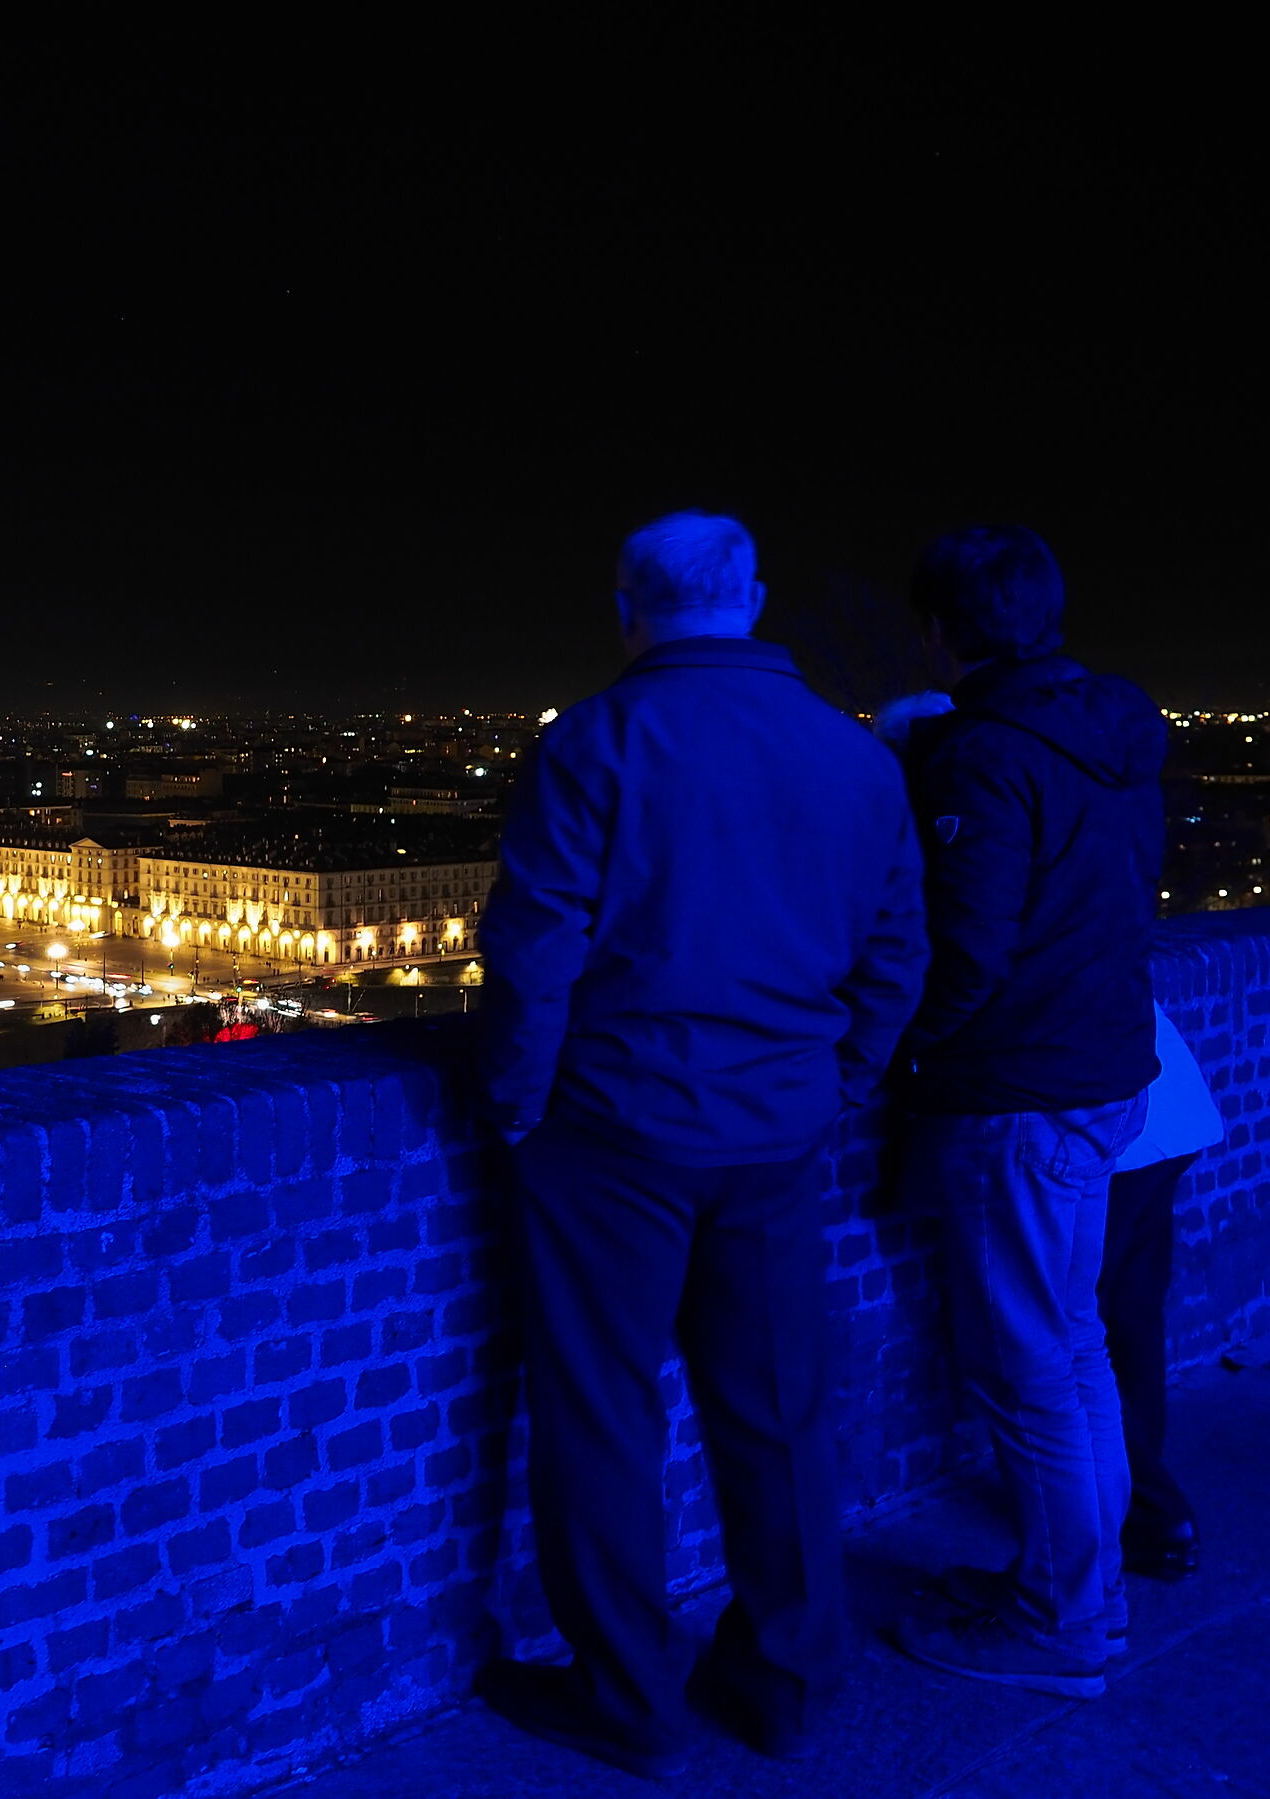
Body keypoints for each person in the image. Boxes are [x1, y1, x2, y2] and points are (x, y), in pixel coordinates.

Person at [475, 511, 927, 1778]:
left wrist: (517, 1098)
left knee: (601, 1409)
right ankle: (785, 1678)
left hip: (615, 1126)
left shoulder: (600, 741)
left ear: (628, 604)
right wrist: (835, 1079)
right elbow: (899, 953)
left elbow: (534, 951)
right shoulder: (852, 757)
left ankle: (629, 1696)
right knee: (780, 1409)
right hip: (779, 1127)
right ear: (754, 596)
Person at [886, 524, 1166, 1699]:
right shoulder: (1113, 731)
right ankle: (1074, 1593)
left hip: (1016, 1094)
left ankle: (1063, 1621)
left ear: (948, 626)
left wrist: (903, 1056)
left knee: (1030, 1369)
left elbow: (970, 948)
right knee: (1075, 1351)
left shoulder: (985, 752)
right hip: (1099, 1074)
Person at [1104, 1003, 1223, 1580]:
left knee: (1083, 1335)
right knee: (1131, 1321)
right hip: (1168, 1115)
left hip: (1125, 1127)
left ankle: (1155, 1510)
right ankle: (1137, 1500)